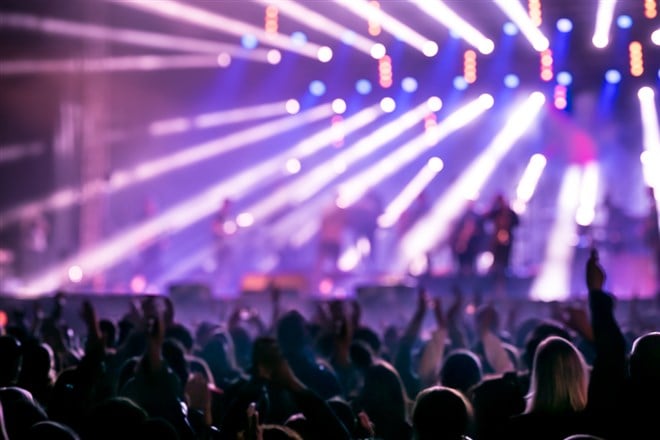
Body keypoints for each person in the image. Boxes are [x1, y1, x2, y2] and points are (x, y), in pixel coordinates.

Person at [485, 194, 519, 277]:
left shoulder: (510, 212)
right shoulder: (497, 211)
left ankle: (505, 276)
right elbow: (487, 216)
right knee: (496, 259)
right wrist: (492, 204)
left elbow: (517, 222)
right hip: (496, 240)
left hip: (507, 240)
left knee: (506, 259)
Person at [450, 201, 485, 276]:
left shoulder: (477, 217)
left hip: (472, 245)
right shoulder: (461, 217)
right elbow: (455, 230)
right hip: (462, 245)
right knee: (461, 264)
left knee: (471, 264)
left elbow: (481, 232)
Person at [643, 187, 660, 290]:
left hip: (656, 243)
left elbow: (651, 223)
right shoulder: (652, 205)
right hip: (655, 243)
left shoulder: (653, 206)